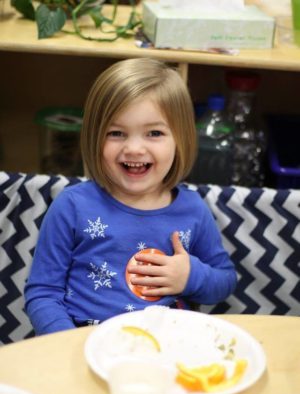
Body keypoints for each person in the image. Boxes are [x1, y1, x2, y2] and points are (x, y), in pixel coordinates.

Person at [25, 58, 237, 335]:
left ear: (181, 139)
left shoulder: (192, 209)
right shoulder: (72, 205)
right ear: (93, 138)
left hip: (167, 348)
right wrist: (66, 345)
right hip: (83, 343)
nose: (134, 148)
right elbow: (43, 294)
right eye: (116, 133)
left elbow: (225, 281)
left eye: (154, 133)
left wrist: (190, 276)